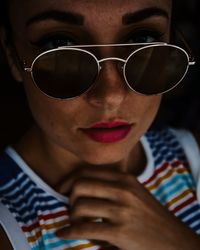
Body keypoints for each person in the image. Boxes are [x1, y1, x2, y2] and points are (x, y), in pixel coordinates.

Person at [0, 0, 200, 249]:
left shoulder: (192, 158)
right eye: (60, 45)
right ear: (12, 54)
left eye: (143, 39)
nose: (110, 96)